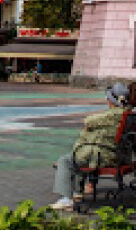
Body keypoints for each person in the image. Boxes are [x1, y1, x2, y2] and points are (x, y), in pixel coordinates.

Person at [50, 82, 130, 211]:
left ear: (111, 100)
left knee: (65, 161)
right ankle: (77, 192)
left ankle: (66, 199)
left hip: (105, 156)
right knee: (79, 156)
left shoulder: (114, 115)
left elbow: (88, 120)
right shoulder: (128, 113)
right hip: (119, 154)